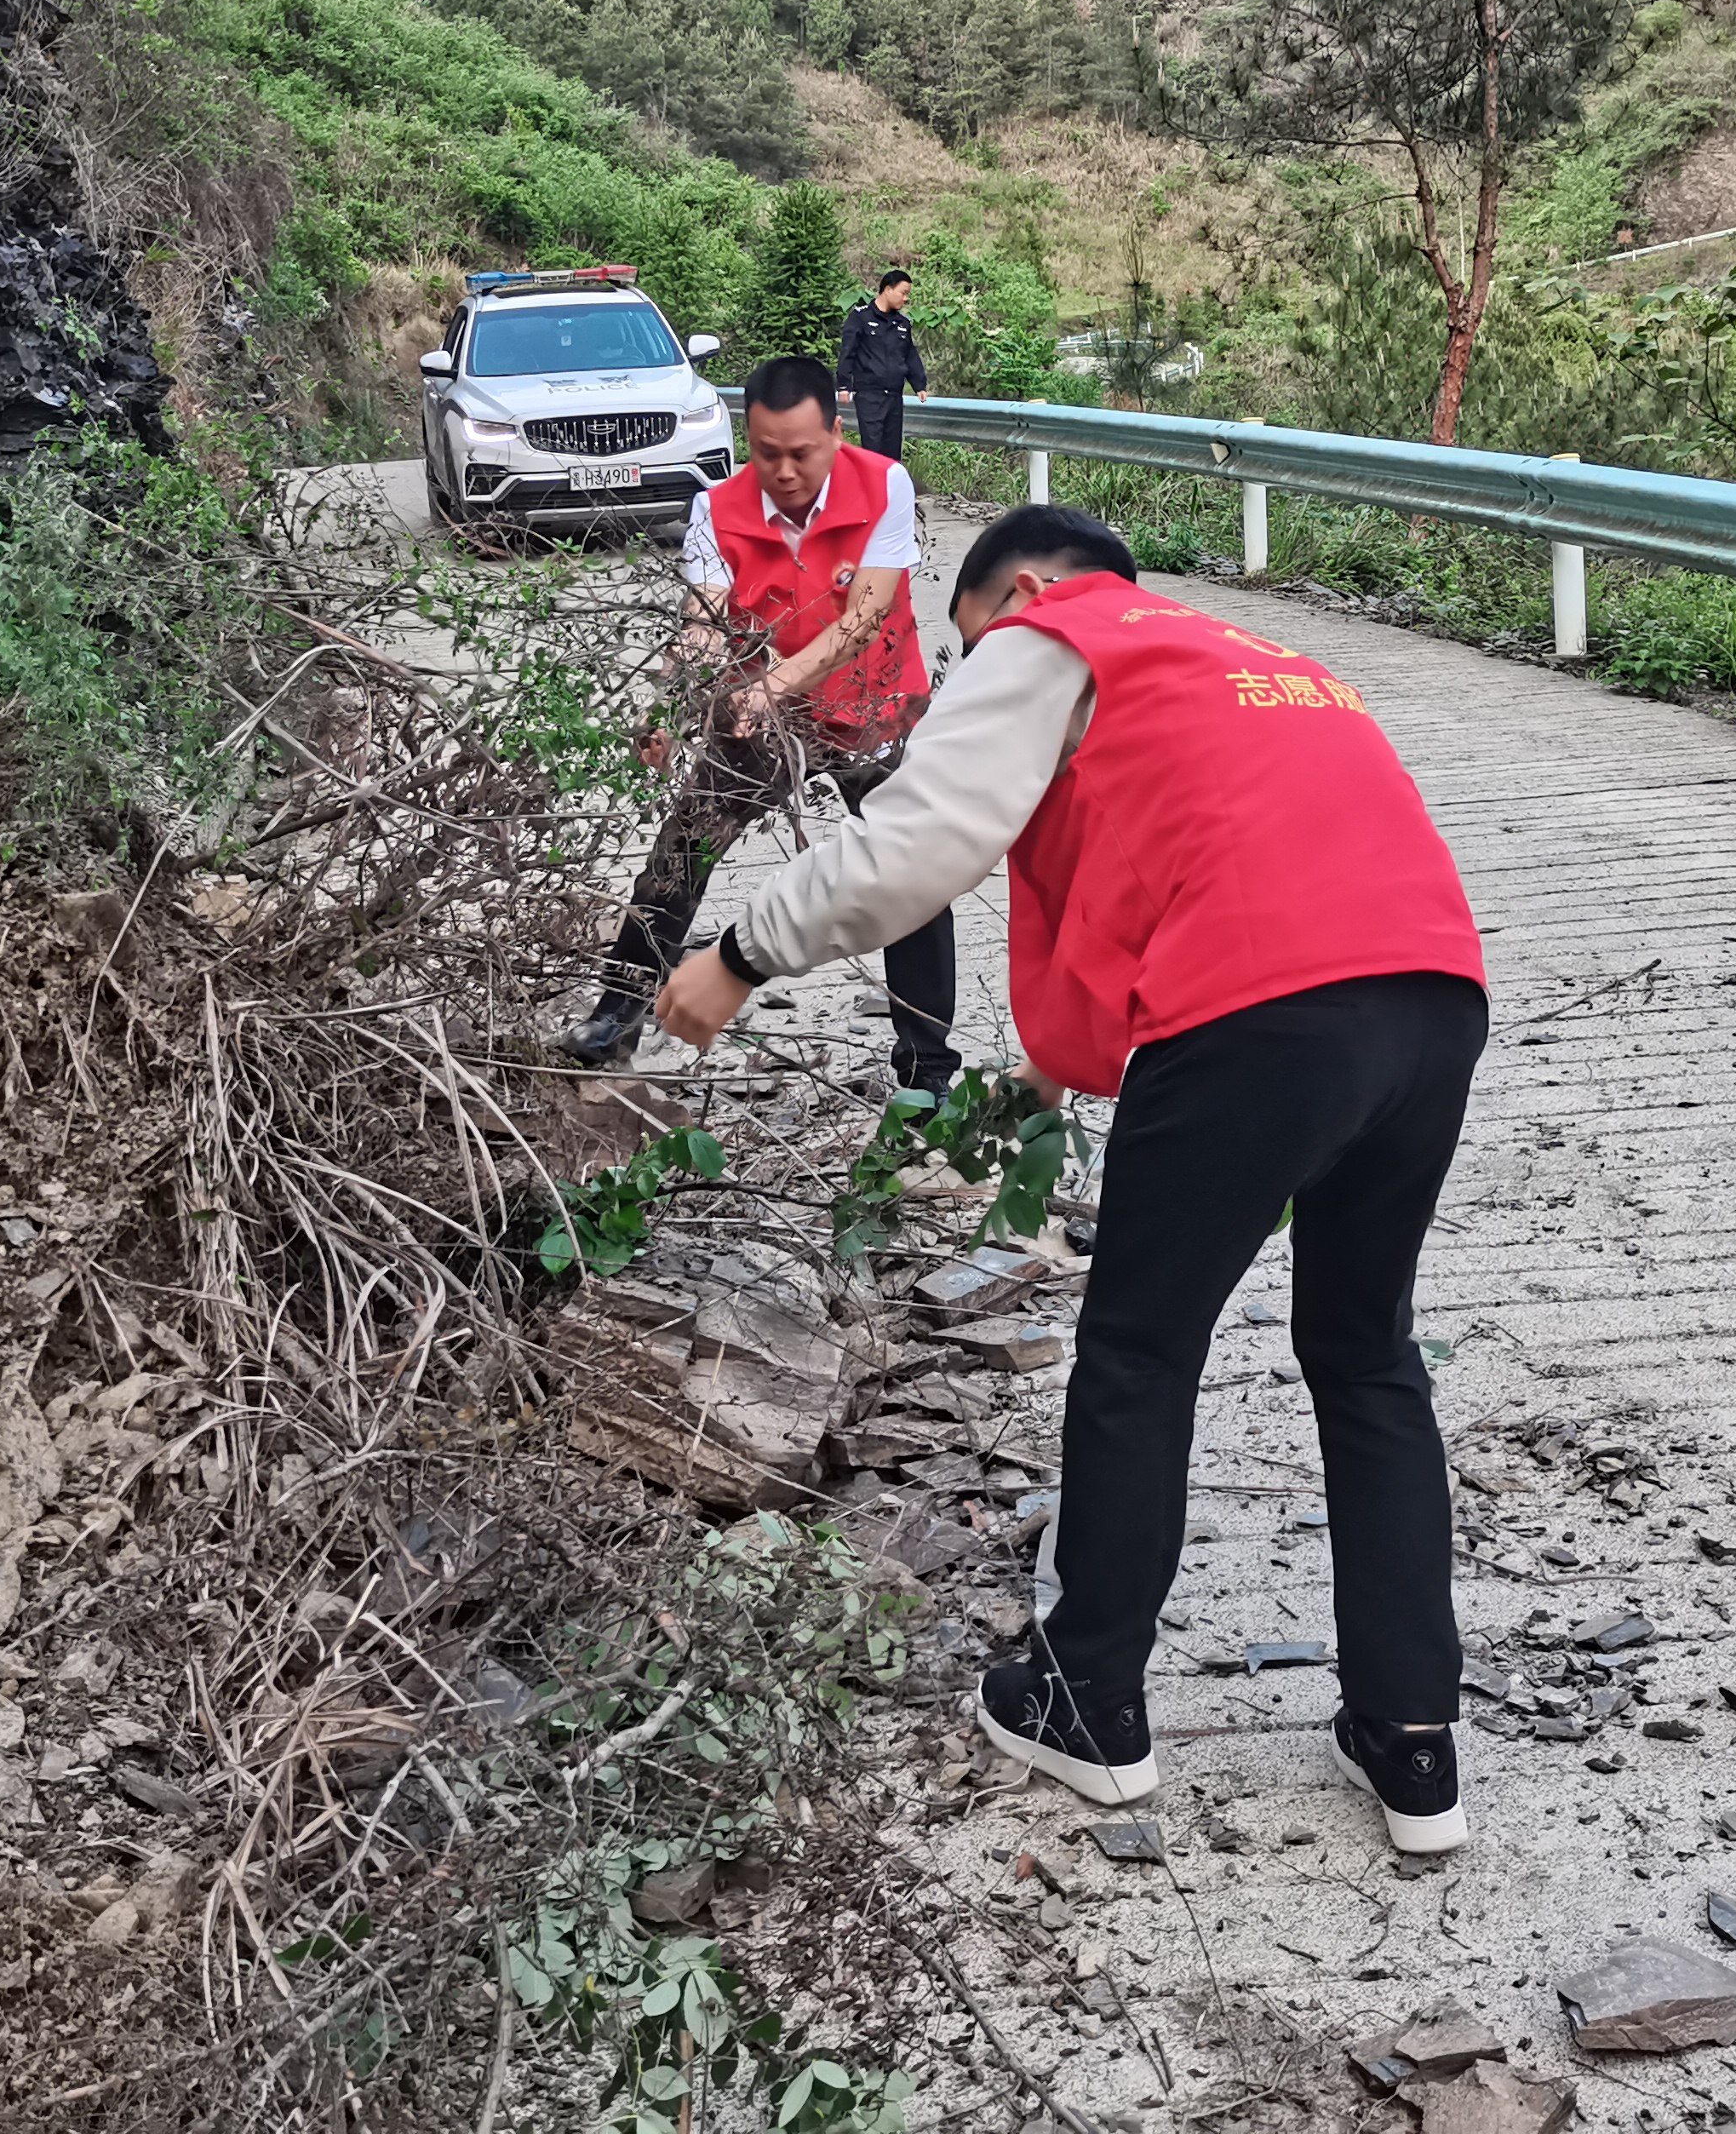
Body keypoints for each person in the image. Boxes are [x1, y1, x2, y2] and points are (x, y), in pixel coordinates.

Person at [650, 503, 1491, 1853]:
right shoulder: (1241, 652)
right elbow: (1182, 860)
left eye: (971, 641)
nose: (980, 669)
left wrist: (740, 952)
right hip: (1433, 1003)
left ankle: (1088, 1703)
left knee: (1140, 1355)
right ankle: (1414, 1741)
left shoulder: (1051, 637)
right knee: (1366, 1354)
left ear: (1026, 591)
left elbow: (917, 853)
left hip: (1258, 1016)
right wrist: (1054, 1070)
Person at [556, 354, 963, 1097]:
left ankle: (927, 1069)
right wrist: (669, 707)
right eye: (767, 452)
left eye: (802, 453)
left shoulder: (885, 485)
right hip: (766, 721)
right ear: (750, 440)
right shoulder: (717, 508)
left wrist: (770, 684)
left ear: (835, 435)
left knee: (915, 876)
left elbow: (866, 617)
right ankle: (616, 1017)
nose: (783, 470)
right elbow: (705, 625)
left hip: (876, 707)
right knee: (684, 844)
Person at [835, 268, 931, 461]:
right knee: (873, 451)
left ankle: (890, 490)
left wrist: (919, 384)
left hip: (894, 397)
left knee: (892, 453)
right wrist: (844, 385)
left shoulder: (903, 323)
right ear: (888, 289)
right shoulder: (861, 317)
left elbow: (909, 354)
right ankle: (872, 490)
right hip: (870, 395)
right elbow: (848, 351)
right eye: (903, 293)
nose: (906, 299)